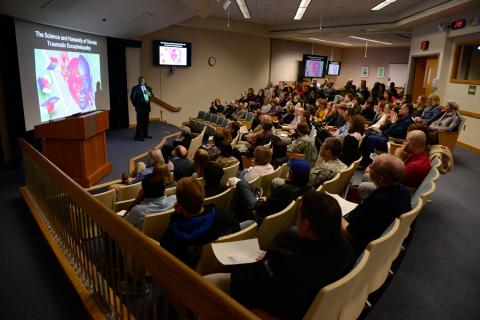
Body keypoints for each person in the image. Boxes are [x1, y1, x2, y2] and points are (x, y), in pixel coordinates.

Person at [207, 191, 354, 319]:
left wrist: (244, 263)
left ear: (305, 225)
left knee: (208, 281)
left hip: (275, 310)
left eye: (299, 214)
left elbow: (243, 292)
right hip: (309, 303)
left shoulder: (284, 261)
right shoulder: (346, 249)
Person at [161, 177, 240, 268]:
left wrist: (175, 216)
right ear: (203, 197)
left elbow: (164, 253)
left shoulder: (174, 235)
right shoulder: (227, 216)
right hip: (227, 265)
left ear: (179, 204)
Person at [342, 154, 411, 254]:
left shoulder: (379, 201)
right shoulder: (403, 192)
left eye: (371, 166)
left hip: (354, 247)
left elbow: (350, 234)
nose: (369, 167)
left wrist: (336, 215)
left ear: (380, 178)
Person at [358, 130, 431, 199]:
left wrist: (397, 158)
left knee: (363, 186)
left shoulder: (415, 166)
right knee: (366, 176)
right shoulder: (420, 155)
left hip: (398, 192)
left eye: (406, 141)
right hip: (399, 185)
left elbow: (391, 177)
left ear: (413, 145)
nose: (403, 144)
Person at [130, 76, 153, 141]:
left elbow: (151, 95)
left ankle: (145, 134)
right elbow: (132, 98)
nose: (142, 81)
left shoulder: (148, 88)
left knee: (146, 121)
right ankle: (137, 136)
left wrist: (148, 93)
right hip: (140, 108)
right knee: (140, 122)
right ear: (139, 81)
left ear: (145, 81)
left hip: (147, 107)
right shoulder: (135, 88)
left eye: (143, 80)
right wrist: (136, 105)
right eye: (141, 80)